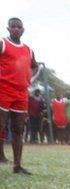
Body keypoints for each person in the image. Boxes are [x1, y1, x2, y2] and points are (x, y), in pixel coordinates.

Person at [0, 17, 37, 174]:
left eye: (18, 27)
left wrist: (30, 78)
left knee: (18, 129)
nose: (16, 29)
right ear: (8, 29)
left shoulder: (28, 50)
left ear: (23, 30)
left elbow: (34, 67)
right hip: (3, 90)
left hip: (21, 93)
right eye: (13, 26)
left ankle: (17, 165)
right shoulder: (2, 43)